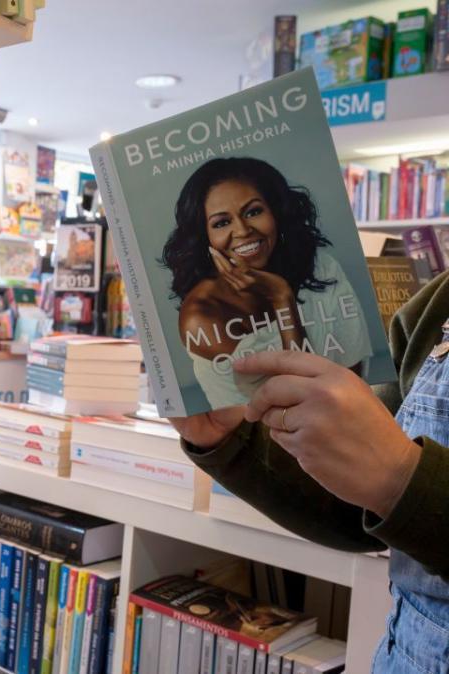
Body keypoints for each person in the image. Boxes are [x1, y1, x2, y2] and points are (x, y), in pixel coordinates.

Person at [171, 269, 449, 671]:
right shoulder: (437, 304)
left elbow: (392, 484)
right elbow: (360, 510)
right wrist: (231, 439)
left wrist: (401, 477)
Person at [161, 157, 371, 407]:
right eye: (222, 223)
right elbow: (295, 403)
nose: (242, 230)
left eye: (253, 212)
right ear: (204, 236)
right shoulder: (202, 315)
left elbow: (355, 374)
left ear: (276, 212)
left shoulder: (320, 265)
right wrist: (282, 298)